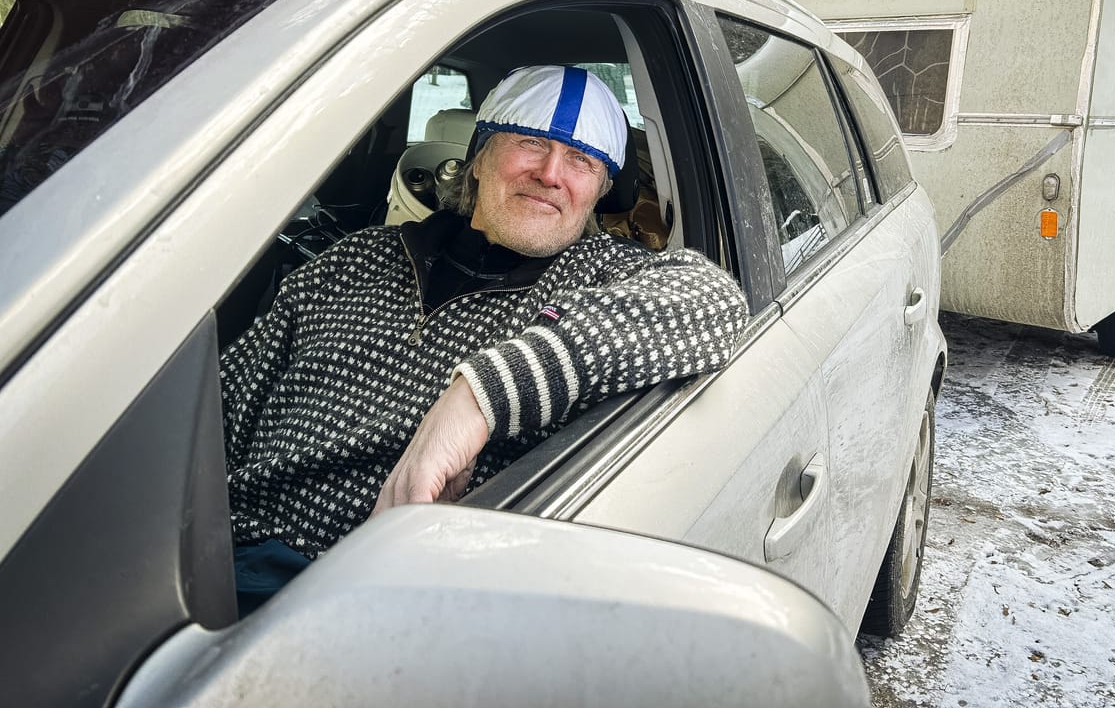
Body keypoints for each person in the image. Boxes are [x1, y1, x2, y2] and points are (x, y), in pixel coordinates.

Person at [220, 65, 749, 610]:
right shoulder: (357, 259)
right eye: (529, 143)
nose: (550, 173)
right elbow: (216, 411)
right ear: (478, 158)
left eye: (581, 160)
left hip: (371, 600)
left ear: (599, 193)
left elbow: (714, 300)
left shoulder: (603, 275)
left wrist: (478, 397)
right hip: (215, 558)